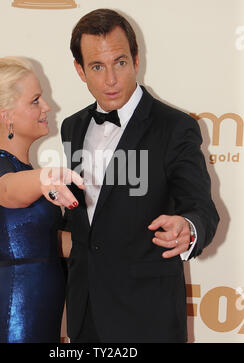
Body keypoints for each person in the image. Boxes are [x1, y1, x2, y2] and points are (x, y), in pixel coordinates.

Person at [43, 9, 220, 343]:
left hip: (146, 316)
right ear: (80, 70)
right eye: (97, 66)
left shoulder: (175, 126)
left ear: (136, 60)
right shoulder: (73, 127)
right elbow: (84, 217)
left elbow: (201, 208)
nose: (111, 79)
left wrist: (189, 228)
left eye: (120, 62)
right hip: (85, 311)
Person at [0, 56, 83, 343]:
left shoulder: (24, 169)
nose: (47, 107)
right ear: (6, 115)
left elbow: (49, 243)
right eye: (35, 100)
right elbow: (7, 191)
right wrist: (44, 179)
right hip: (13, 321)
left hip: (43, 318)